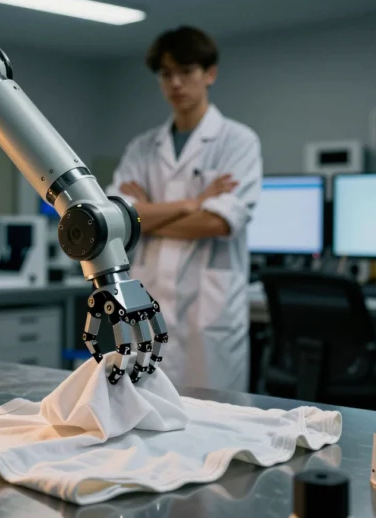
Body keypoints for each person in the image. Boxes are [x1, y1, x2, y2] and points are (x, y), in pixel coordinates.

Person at [106, 26, 262, 391]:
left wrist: (146, 214)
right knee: (142, 413)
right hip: (147, 300)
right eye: (166, 74)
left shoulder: (237, 142)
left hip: (208, 312)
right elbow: (118, 222)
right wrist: (193, 202)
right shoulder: (142, 148)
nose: (176, 83)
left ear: (210, 73)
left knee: (216, 421)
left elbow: (217, 222)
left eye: (186, 71)